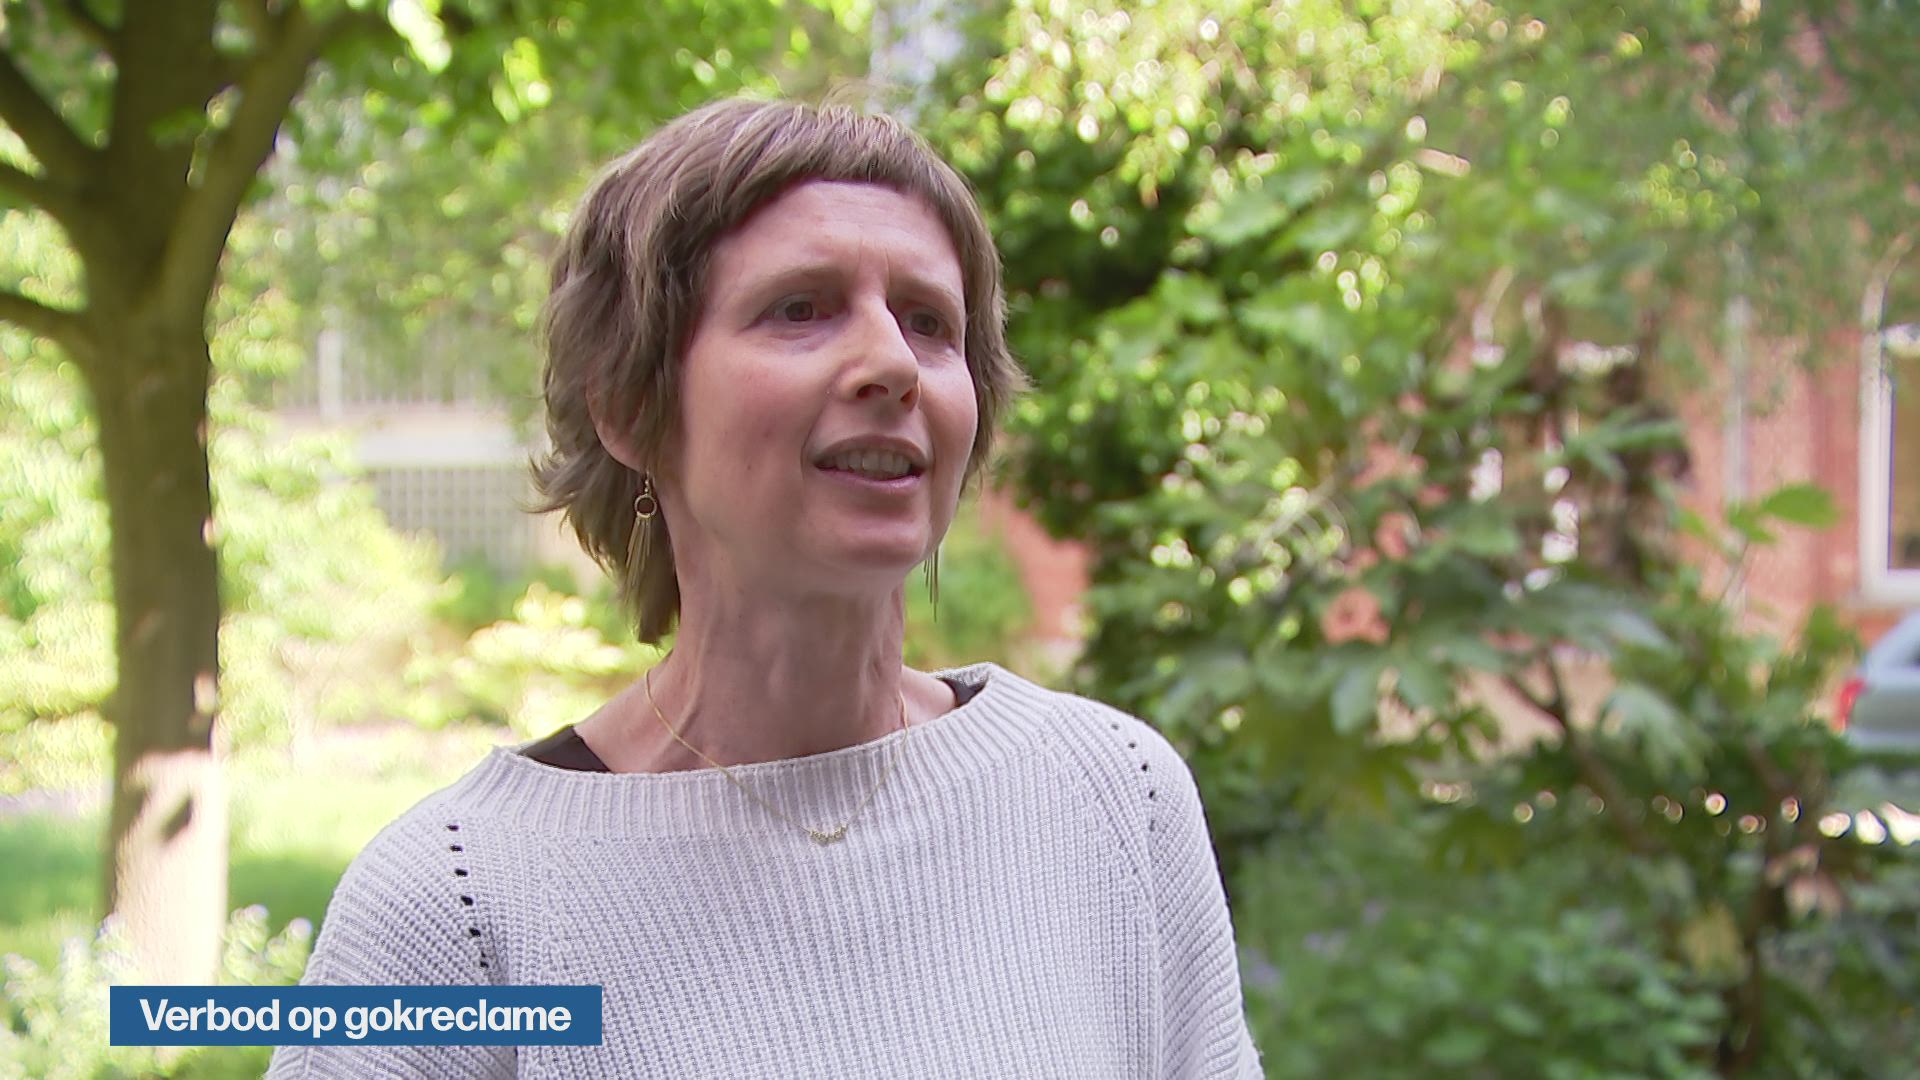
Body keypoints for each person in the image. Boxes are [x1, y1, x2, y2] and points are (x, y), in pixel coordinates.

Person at [269, 95, 1263, 1079]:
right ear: (631, 408)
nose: (892, 363)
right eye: (801, 309)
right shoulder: (460, 903)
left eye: (929, 322)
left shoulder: (1112, 795)